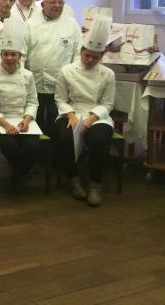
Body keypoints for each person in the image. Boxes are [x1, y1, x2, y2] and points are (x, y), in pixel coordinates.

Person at [55, 14, 115, 207]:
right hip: (70, 112)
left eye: (95, 57)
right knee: (64, 138)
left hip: (98, 116)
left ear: (101, 56)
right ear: (81, 52)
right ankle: (73, 180)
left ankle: (95, 185)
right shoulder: (67, 71)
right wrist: (71, 115)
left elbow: (107, 103)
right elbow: (60, 99)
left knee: (98, 140)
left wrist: (91, 118)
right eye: (86, 55)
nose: (89, 60)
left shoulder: (108, 74)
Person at [26, 0, 81, 138]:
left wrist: (73, 78)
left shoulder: (71, 24)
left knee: (57, 125)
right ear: (43, 4)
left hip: (62, 85)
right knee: (37, 124)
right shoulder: (30, 24)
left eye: (60, 2)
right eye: (53, 2)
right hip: (34, 83)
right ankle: (38, 158)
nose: (57, 5)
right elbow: (23, 53)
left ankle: (57, 157)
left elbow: (78, 53)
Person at [0, 21, 39, 185]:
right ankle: (22, 170)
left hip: (24, 120)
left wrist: (27, 119)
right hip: (1, 121)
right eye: (5, 54)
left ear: (20, 56)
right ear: (0, 55)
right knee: (9, 146)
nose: (9, 58)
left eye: (13, 54)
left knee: (33, 147)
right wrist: (6, 125)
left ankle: (19, 170)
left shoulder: (28, 76)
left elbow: (32, 101)